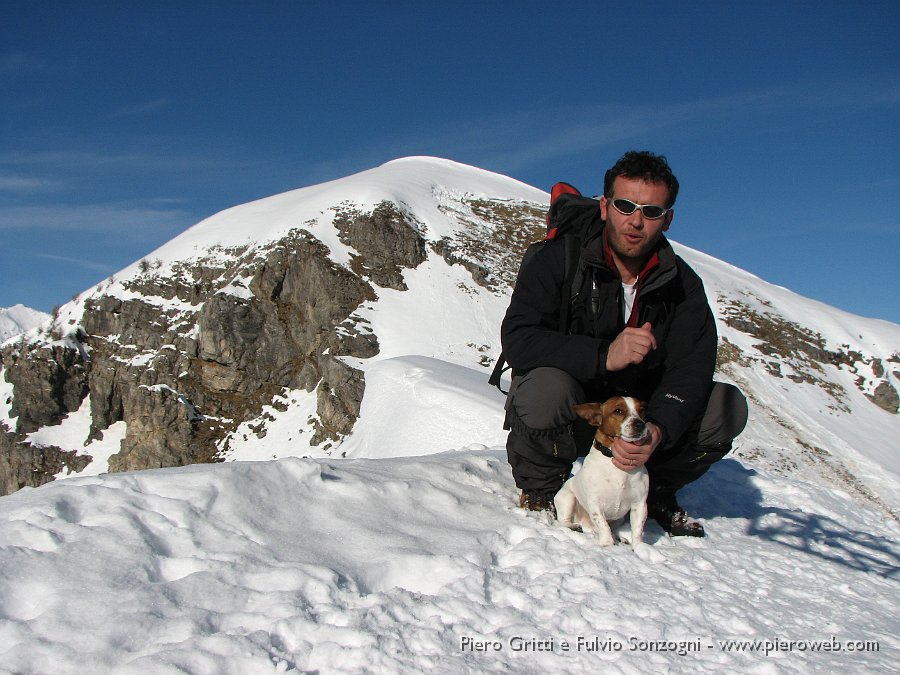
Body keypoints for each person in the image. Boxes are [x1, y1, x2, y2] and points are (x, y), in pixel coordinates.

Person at [500, 150, 747, 537]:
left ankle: (655, 490)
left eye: (651, 212)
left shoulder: (683, 286)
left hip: (639, 421)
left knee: (724, 408)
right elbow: (520, 339)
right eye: (625, 205)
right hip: (578, 413)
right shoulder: (558, 259)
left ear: (667, 219)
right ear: (604, 207)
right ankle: (543, 491)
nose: (635, 221)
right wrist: (603, 356)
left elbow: (691, 369)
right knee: (543, 387)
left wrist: (659, 429)